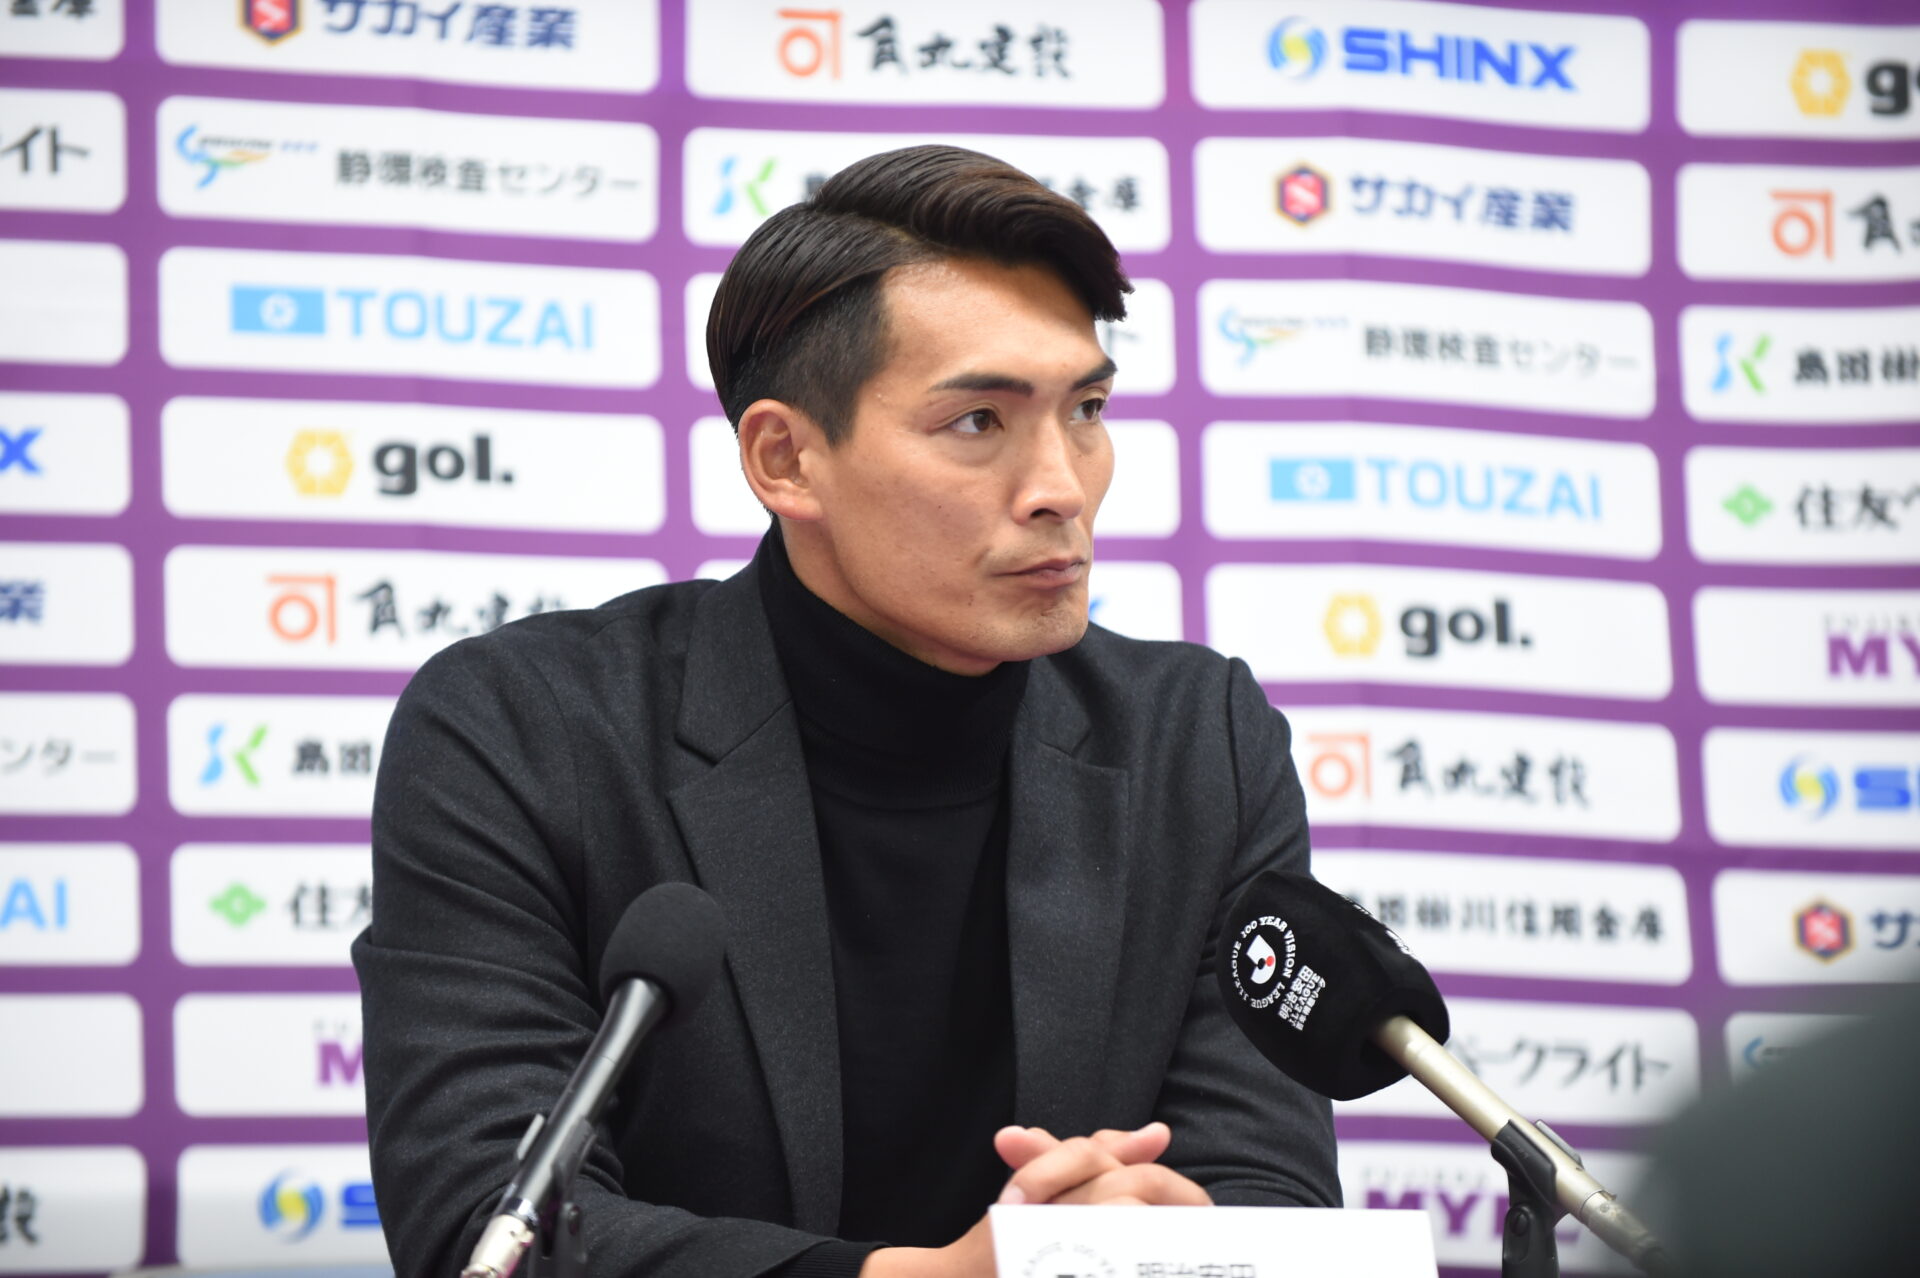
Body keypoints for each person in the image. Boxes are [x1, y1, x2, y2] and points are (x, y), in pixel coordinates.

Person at [352, 144, 1339, 1278]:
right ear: (786, 459)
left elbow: (1271, 1191)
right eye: (978, 421)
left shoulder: (1197, 742)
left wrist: (1165, 1237)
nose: (1062, 486)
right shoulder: (526, 730)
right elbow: (489, 1225)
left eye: (1087, 409)